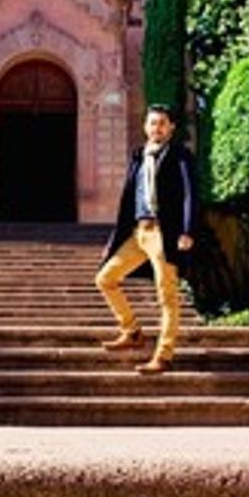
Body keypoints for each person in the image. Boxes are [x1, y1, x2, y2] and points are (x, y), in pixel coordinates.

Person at [95, 103, 199, 374]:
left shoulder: (180, 156)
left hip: (165, 233)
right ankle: (131, 330)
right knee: (106, 278)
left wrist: (187, 230)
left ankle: (163, 356)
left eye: (162, 123)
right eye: (153, 123)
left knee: (167, 296)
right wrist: (114, 240)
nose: (157, 128)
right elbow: (128, 201)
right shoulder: (139, 156)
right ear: (145, 126)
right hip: (138, 232)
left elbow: (190, 195)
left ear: (171, 127)